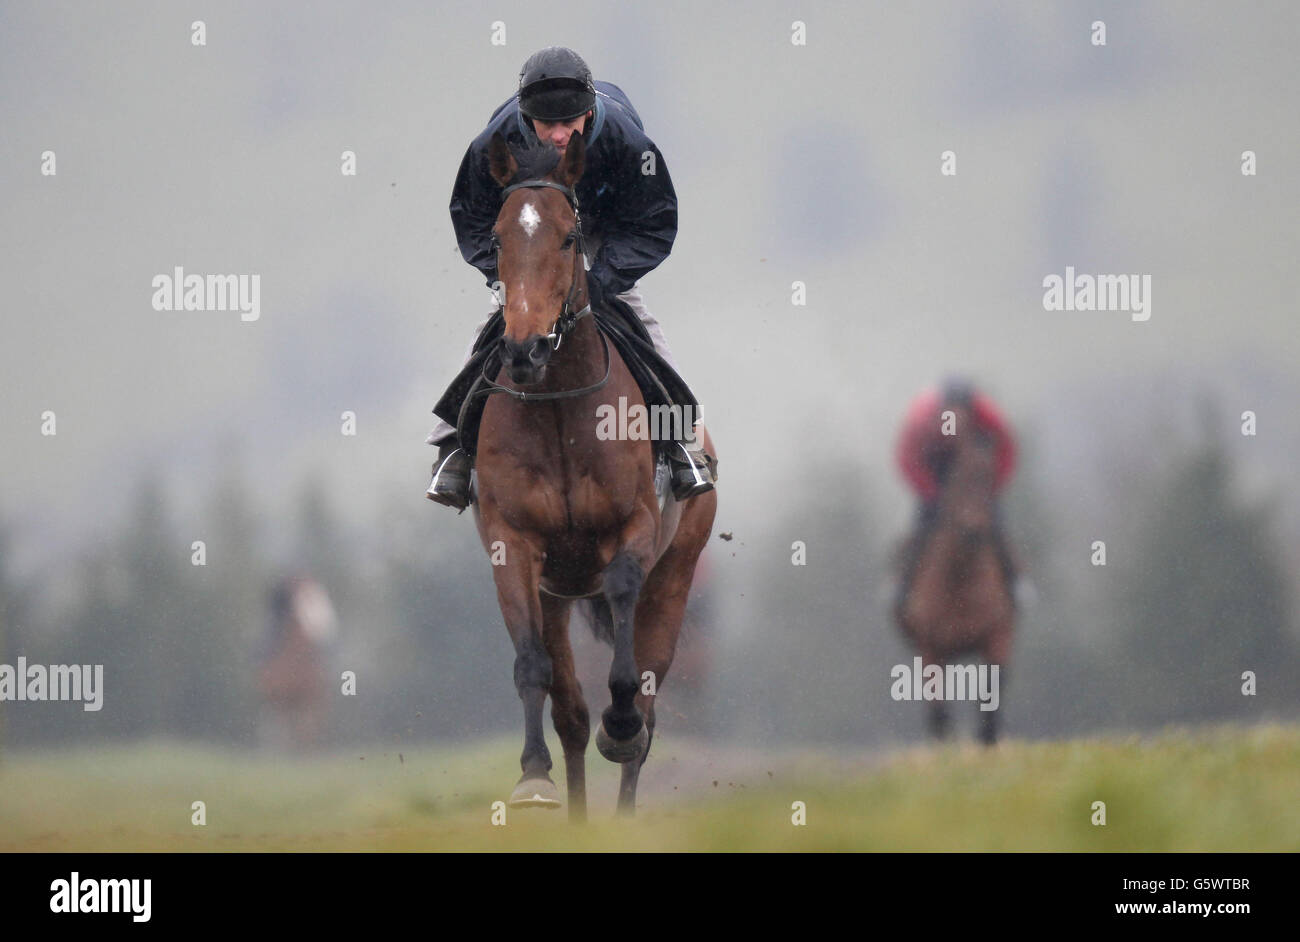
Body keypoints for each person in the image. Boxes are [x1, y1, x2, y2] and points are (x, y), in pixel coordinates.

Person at [426, 46, 715, 510]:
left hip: (606, 235)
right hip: (531, 243)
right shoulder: (493, 144)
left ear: (589, 111)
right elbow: (472, 216)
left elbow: (654, 222)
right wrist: (511, 280)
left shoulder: (627, 143)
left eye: (570, 123)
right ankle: (452, 449)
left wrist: (601, 280)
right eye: (546, 125)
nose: (559, 135)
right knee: (496, 324)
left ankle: (680, 439)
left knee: (639, 322)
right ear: (526, 117)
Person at [894, 378, 1028, 615]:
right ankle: (902, 586)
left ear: (970, 411)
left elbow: (1007, 452)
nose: (955, 420)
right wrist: (931, 494)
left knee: (994, 526)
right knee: (921, 529)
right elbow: (907, 460)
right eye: (949, 415)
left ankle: (1015, 582)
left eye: (960, 414)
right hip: (934, 475)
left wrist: (992, 488)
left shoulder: (990, 417)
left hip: (976, 480)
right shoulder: (920, 420)